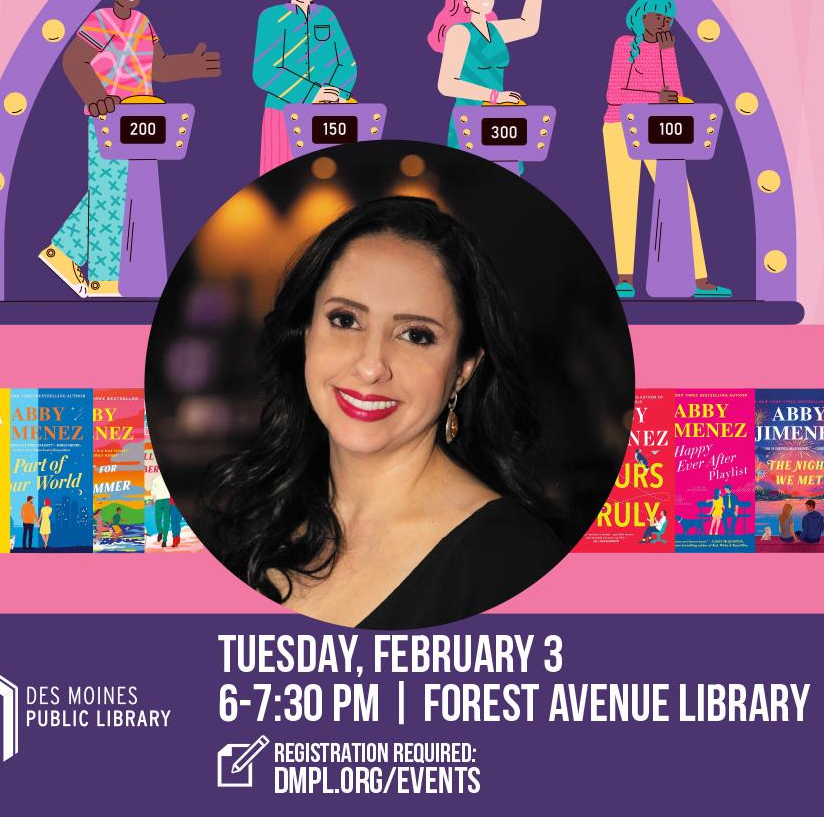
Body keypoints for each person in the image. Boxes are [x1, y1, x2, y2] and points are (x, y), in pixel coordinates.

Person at [197, 196, 565, 629]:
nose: (371, 366)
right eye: (345, 320)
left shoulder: (515, 563)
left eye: (415, 335)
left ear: (463, 369)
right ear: (306, 333)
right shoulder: (258, 518)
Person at [40, 0, 222, 298]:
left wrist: (191, 65)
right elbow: (74, 61)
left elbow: (159, 67)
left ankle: (63, 253)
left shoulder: (143, 23)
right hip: (109, 116)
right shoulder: (99, 21)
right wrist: (96, 97)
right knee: (110, 193)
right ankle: (104, 281)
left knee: (123, 193)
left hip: (143, 115)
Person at [602, 0, 731, 299]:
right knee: (624, 202)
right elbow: (613, 93)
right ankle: (624, 279)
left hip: (658, 130)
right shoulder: (624, 45)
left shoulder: (667, 49)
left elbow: (676, 95)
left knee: (681, 199)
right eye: (658, 16)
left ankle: (700, 278)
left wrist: (667, 53)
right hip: (620, 127)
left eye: (668, 18)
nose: (664, 22)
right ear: (641, 16)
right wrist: (653, 98)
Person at [428, 0, 551, 176]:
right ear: (465, 2)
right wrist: (495, 96)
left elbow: (529, 25)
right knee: (470, 176)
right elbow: (446, 84)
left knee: (507, 174)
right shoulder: (460, 33)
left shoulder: (496, 30)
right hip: (470, 118)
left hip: (500, 118)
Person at [253, 0, 358, 174]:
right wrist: (312, 94)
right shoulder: (271, 17)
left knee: (329, 176)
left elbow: (347, 63)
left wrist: (336, 94)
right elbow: (264, 71)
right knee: (280, 175)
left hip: (328, 115)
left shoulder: (326, 15)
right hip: (282, 113)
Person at [149, 470, 172, 546]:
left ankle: (164, 540)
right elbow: (153, 491)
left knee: (166, 521)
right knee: (158, 519)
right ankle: (160, 531)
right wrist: (153, 499)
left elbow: (153, 492)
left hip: (167, 500)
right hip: (159, 501)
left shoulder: (157, 479)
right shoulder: (156, 479)